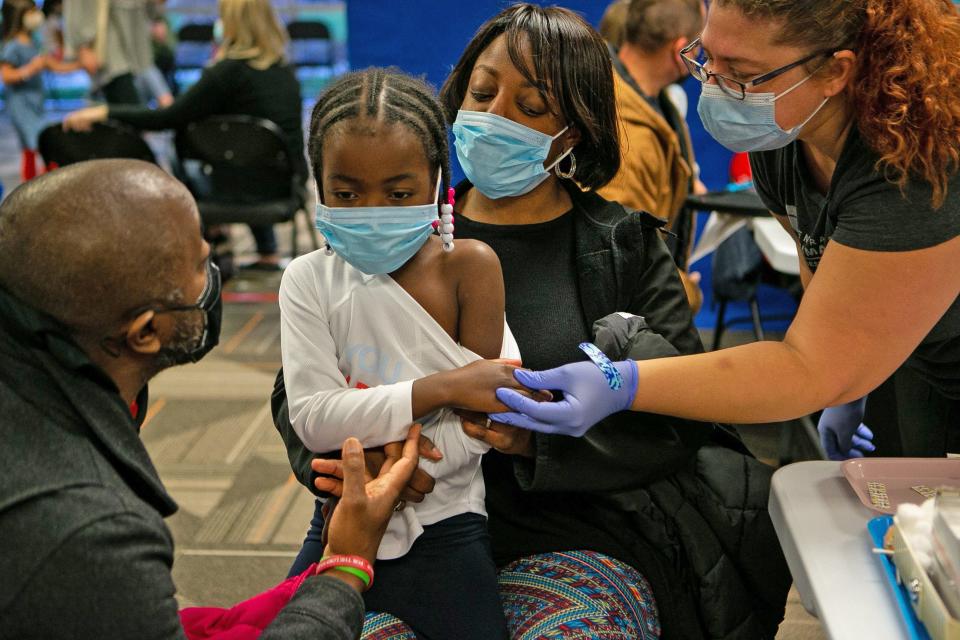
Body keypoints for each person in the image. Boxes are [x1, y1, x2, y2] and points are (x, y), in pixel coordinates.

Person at [276, 5, 791, 638]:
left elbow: (683, 420)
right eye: (483, 92)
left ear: (572, 133)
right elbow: (300, 390)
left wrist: (535, 442)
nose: (495, 117)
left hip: (570, 535)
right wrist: (337, 459)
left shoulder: (621, 248)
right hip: (393, 526)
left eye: (532, 107)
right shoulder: (385, 228)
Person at [491, 0, 960, 461]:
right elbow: (815, 252)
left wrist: (625, 384)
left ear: (835, 72)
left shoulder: (916, 170)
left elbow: (806, 364)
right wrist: (845, 377)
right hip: (918, 352)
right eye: (706, 56)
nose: (712, 85)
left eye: (740, 71)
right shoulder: (783, 135)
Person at [0, 159, 425, 639]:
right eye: (202, 265)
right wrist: (346, 566)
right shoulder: (91, 533)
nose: (215, 275)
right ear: (144, 333)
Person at [279, 67, 522, 639]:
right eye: (345, 193)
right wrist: (440, 388)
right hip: (340, 521)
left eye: (399, 192)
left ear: (437, 182)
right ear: (319, 184)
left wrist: (399, 465)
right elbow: (313, 418)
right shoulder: (307, 279)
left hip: (450, 525)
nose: (369, 209)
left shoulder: (473, 268)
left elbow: (490, 408)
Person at [63, 0, 301, 270]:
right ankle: (266, 249)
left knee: (186, 155)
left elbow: (166, 118)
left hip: (235, 189)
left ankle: (212, 241)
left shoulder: (224, 74)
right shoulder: (285, 71)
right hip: (285, 186)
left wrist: (105, 111)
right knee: (247, 150)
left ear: (230, 23)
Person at [597, 0, 707, 311]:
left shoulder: (648, 104)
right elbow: (622, 265)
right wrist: (685, 293)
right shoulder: (630, 137)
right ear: (680, 50)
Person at [1, 0, 79, 181]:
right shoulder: (12, 46)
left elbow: (55, 66)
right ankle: (49, 184)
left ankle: (32, 187)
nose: (36, 15)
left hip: (37, 104)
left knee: (29, 148)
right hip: (21, 104)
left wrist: (79, 64)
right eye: (31, 11)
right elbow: (6, 75)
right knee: (43, 142)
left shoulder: (34, 42)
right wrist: (30, 69)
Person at [63, 0, 155, 105]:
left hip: (131, 41)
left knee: (128, 103)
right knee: (126, 100)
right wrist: (83, 46)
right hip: (109, 44)